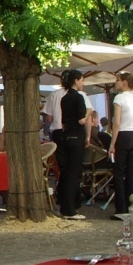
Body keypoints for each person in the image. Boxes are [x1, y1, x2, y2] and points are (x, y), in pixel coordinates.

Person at [42, 70, 92, 205]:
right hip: (75, 132)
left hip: (59, 132)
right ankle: (73, 198)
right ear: (75, 80)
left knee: (64, 168)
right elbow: (85, 119)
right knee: (74, 168)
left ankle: (63, 197)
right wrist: (88, 135)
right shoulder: (80, 96)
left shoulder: (55, 95)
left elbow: (49, 117)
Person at [109, 72, 133, 220]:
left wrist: (112, 143)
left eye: (117, 81)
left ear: (124, 82)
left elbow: (116, 123)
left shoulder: (119, 98)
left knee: (118, 173)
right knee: (131, 173)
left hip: (123, 135)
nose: (115, 83)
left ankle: (121, 209)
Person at [58, 69, 89, 220]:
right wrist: (89, 112)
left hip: (66, 136)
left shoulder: (64, 99)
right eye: (82, 80)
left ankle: (65, 206)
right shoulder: (78, 98)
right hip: (77, 136)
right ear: (76, 81)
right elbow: (81, 120)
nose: (83, 83)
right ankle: (70, 209)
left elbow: (64, 122)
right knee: (74, 173)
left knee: (66, 172)